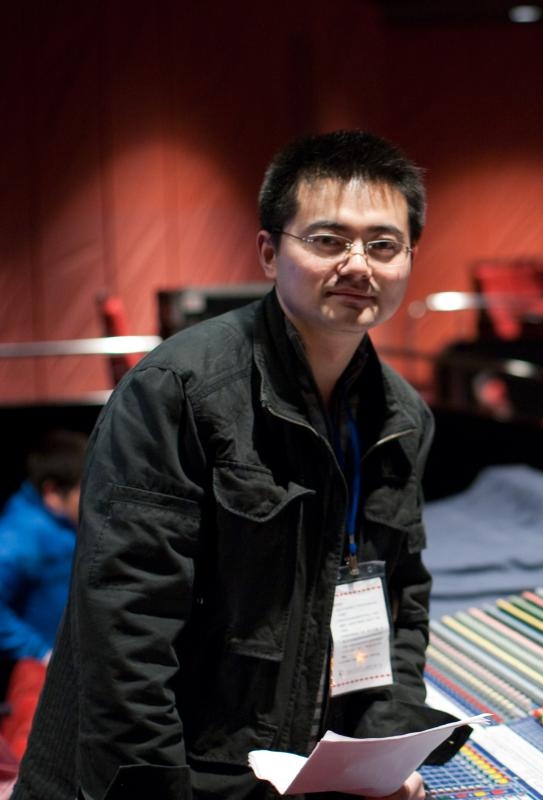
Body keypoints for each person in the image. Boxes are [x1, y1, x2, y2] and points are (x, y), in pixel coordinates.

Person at [15, 131, 468, 800]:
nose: (357, 265)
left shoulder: (401, 416)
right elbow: (127, 631)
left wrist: (379, 750)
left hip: (298, 774)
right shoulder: (177, 390)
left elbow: (398, 597)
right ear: (268, 251)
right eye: (327, 240)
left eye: (382, 245)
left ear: (409, 258)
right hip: (173, 777)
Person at [0, 430, 88, 666]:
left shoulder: (65, 524)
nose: (93, 499)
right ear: (52, 492)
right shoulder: (22, 533)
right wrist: (41, 653)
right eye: (85, 489)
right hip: (42, 676)